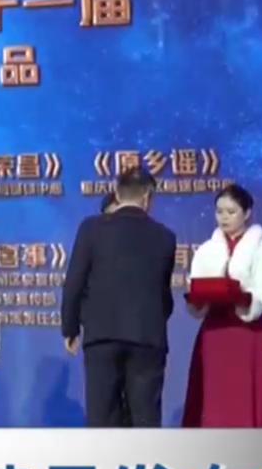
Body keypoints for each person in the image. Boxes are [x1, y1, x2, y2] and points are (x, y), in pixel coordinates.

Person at [61, 168, 178, 427]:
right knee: (145, 419)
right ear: (147, 197)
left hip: (102, 336)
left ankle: (107, 456)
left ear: (116, 192)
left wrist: (70, 328)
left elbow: (74, 281)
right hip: (147, 338)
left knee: (102, 418)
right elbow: (163, 293)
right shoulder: (165, 237)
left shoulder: (91, 229)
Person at [182, 184, 262, 427]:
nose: (224, 217)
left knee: (244, 395)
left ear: (247, 213)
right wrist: (196, 297)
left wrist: (246, 299)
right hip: (215, 331)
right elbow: (197, 286)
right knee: (213, 395)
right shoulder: (206, 249)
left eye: (231, 212)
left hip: (247, 332)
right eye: (219, 212)